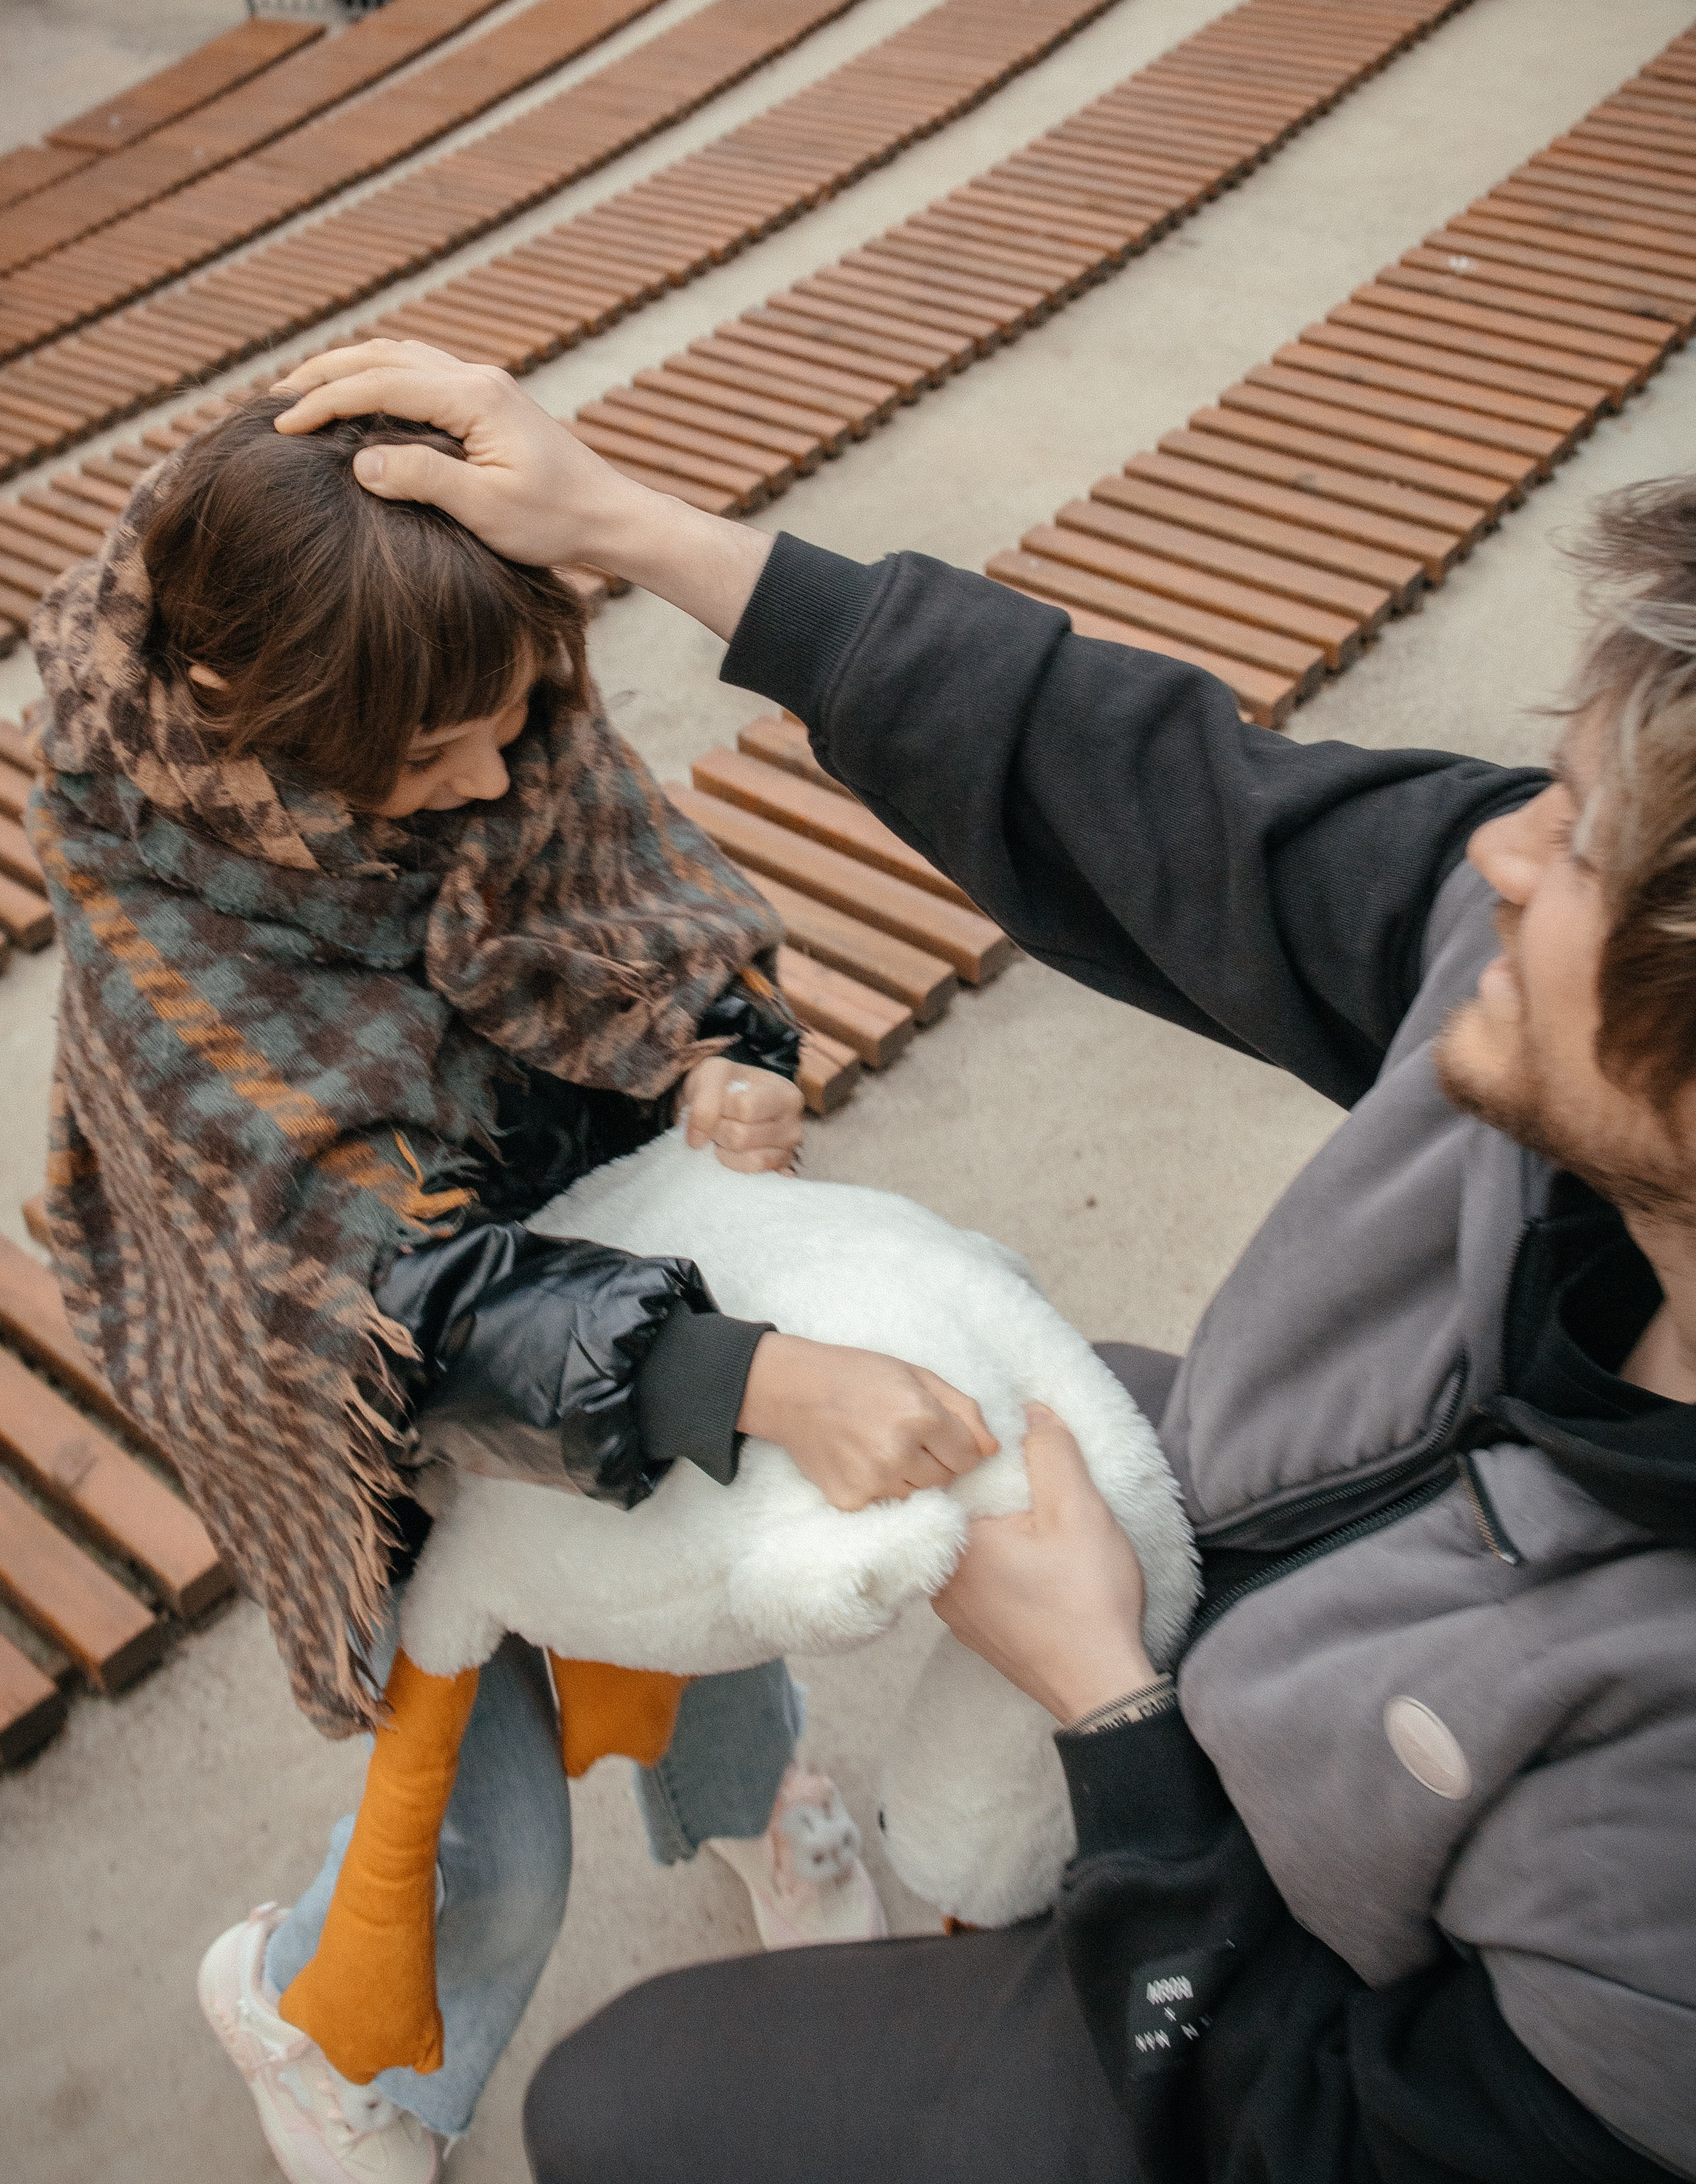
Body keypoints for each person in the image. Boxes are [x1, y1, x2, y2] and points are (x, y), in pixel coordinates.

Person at [268, 336, 1696, 2184]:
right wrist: (633, 530)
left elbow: (1336, 2139)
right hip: (1297, 1603)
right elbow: (1188, 805)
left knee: (629, 2109)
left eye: (1581, 844)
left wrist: (1115, 1726)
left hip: (1290, 2007)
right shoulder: (1531, 1024)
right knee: (943, 1364)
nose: (1497, 850)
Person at [24, 395, 1002, 2184]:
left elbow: (644, 909)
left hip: (591, 1246)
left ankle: (749, 1803)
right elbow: (382, 1288)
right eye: (431, 767)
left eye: (513, 729)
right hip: (345, 1358)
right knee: (484, 1817)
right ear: (267, 728)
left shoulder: (473, 680)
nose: (495, 786)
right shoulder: (169, 887)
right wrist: (760, 1376)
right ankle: (326, 2030)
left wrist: (721, 1049)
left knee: (705, 1616)